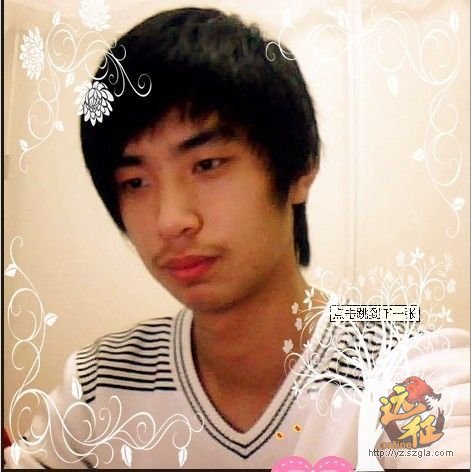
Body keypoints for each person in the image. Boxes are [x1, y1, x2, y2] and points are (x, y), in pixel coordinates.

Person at [4, 7, 469, 470]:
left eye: (207, 165)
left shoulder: (408, 365)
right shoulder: (99, 383)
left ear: (299, 169)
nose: (171, 221)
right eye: (135, 182)